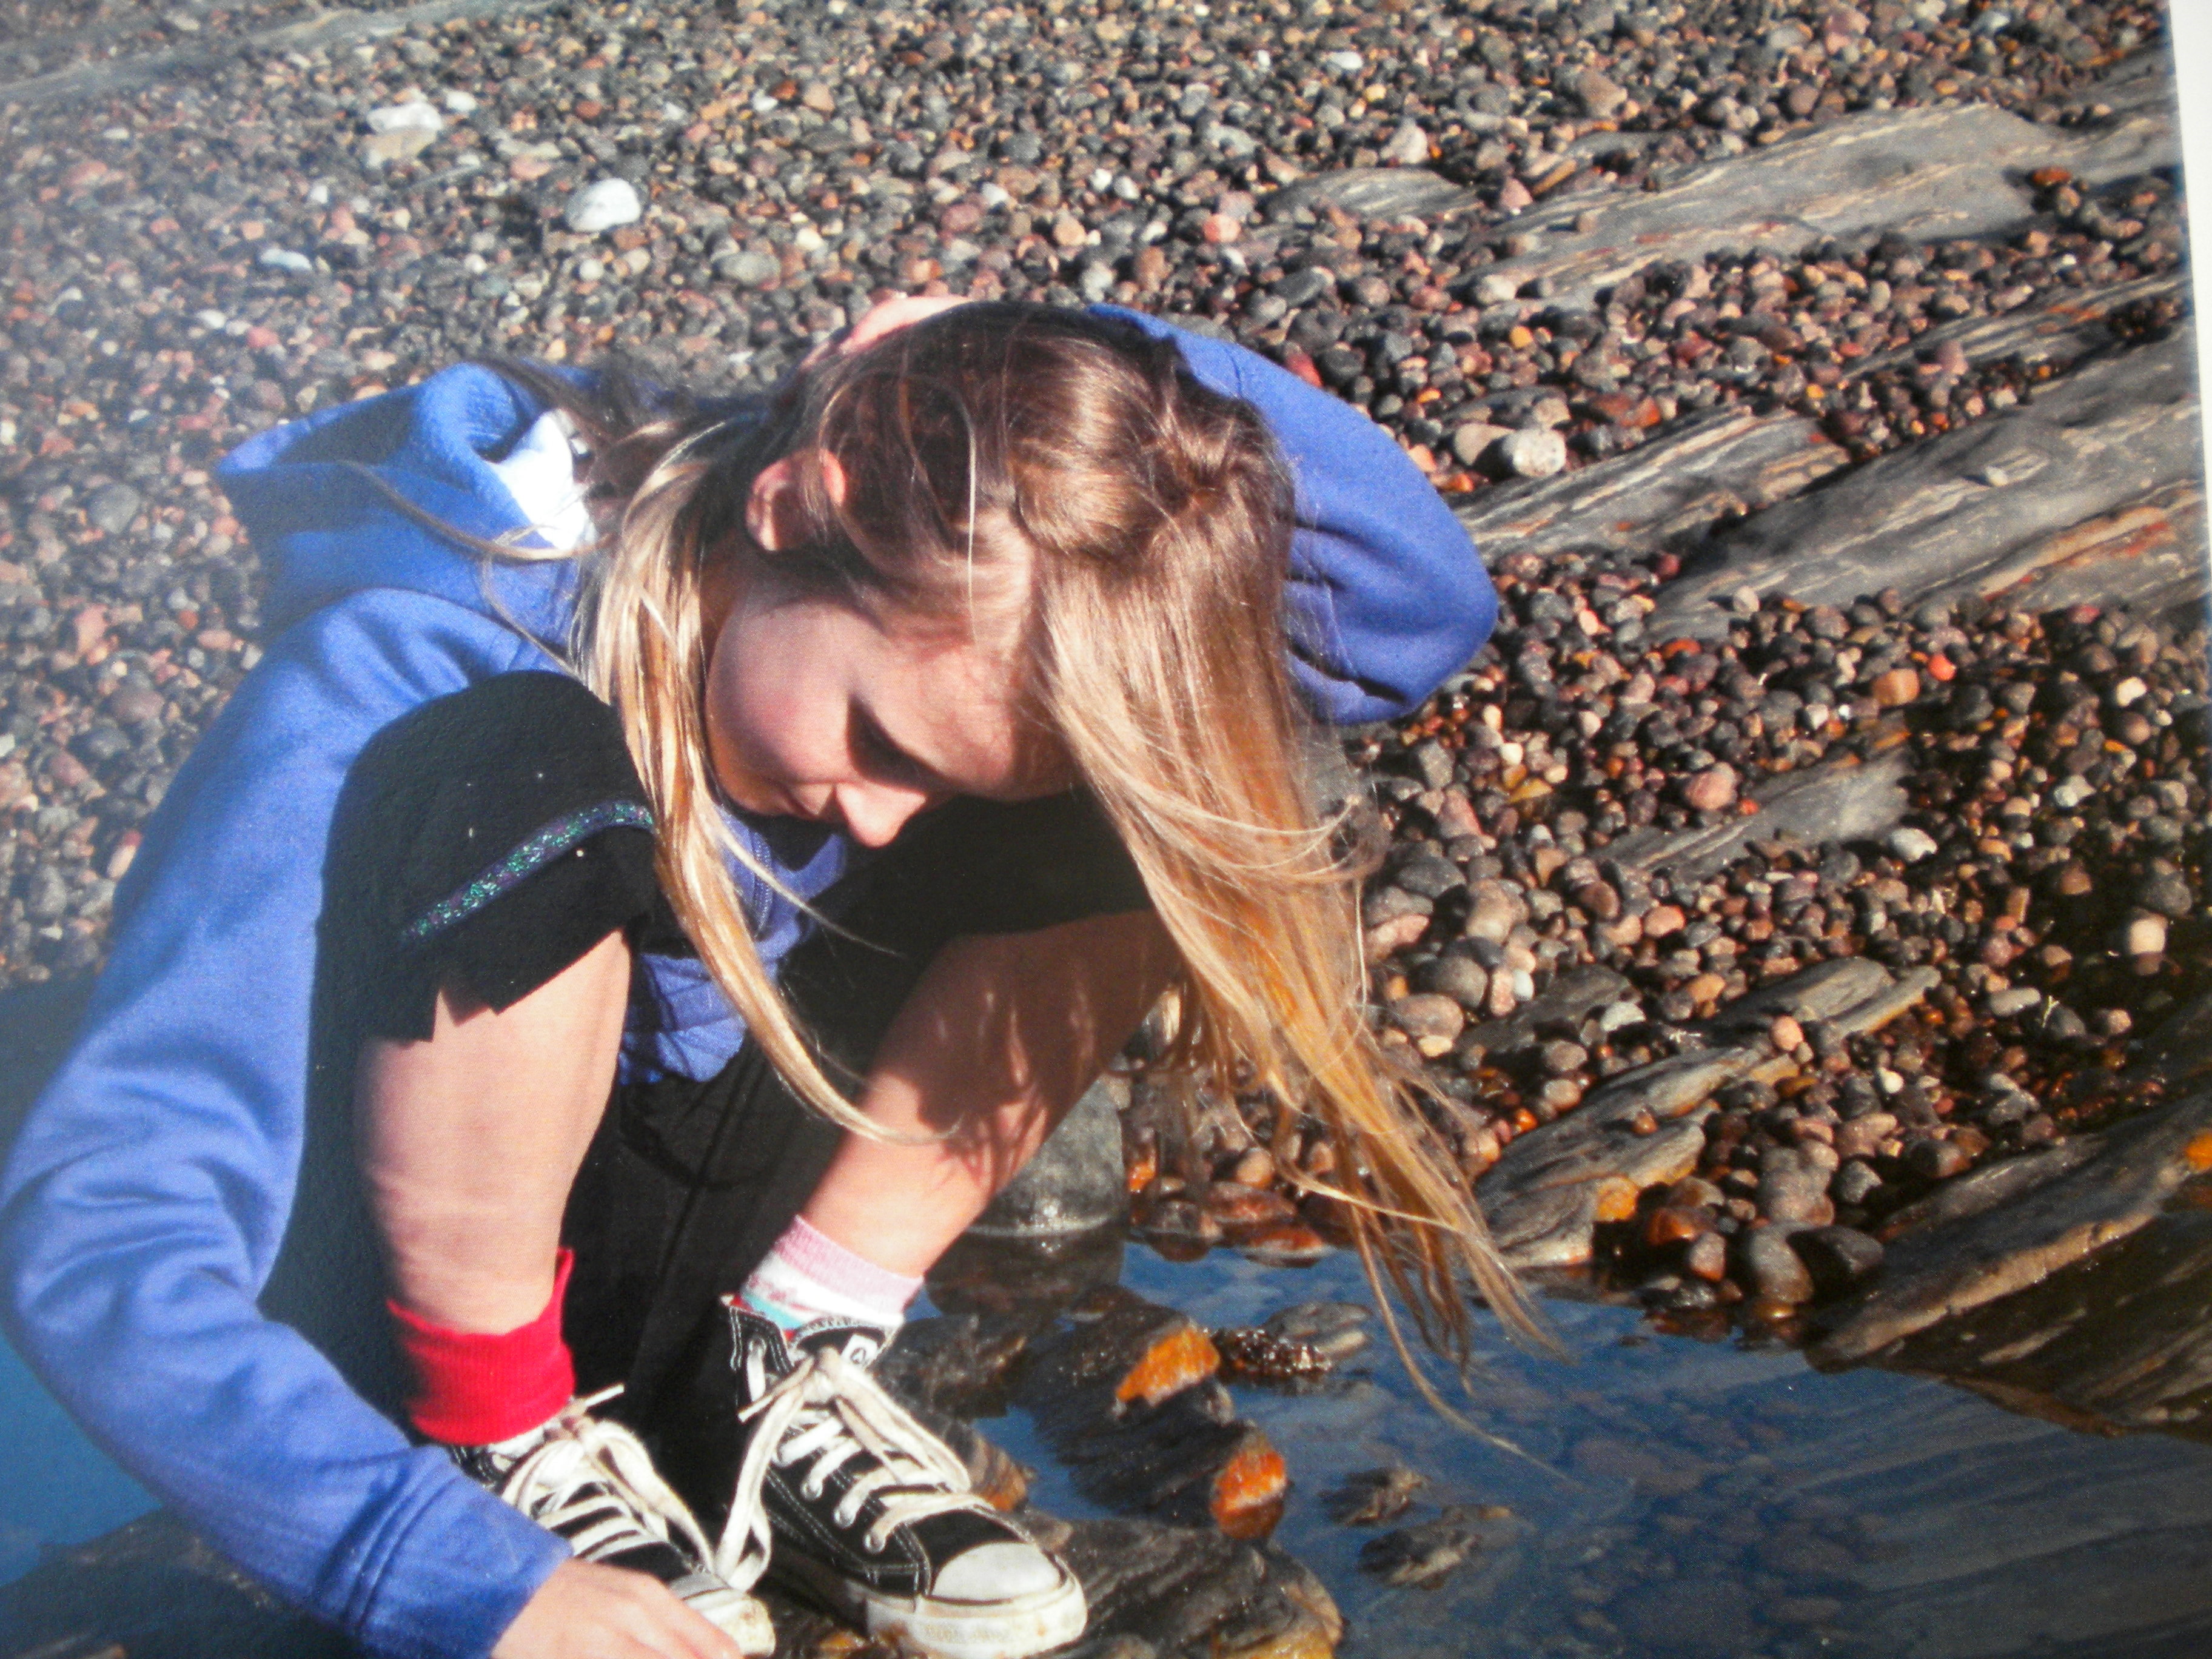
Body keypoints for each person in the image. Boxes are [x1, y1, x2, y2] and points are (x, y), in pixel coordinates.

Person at [0, 296, 1532, 1659]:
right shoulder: (403, 665)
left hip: (705, 1247)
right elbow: (102, 1229)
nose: (884, 821)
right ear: (795, 504)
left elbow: (1411, 617)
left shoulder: (901, 634)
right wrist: (443, 1577)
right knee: (522, 771)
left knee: (1163, 763)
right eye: (877, 742)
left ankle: (781, 1370)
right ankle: (500, 1442)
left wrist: (1032, 355)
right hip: (403, 1315)